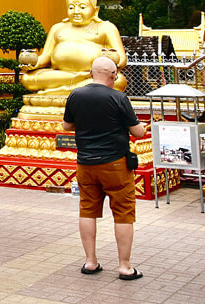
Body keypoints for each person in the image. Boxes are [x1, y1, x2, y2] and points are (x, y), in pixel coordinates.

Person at [61, 56, 147, 280]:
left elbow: (67, 125)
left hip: (86, 162)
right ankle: (125, 267)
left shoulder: (75, 95)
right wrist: (143, 126)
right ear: (113, 76)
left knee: (87, 210)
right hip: (115, 163)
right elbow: (137, 132)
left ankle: (90, 262)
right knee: (123, 213)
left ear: (91, 73)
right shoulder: (119, 97)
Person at [22, 0, 126, 95]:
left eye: (82, 7)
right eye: (71, 7)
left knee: (118, 81)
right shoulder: (57, 28)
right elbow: (47, 55)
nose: (76, 11)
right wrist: (35, 63)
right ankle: (79, 82)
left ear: (95, 11)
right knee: (27, 78)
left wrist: (111, 66)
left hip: (95, 75)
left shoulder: (106, 28)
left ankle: (62, 90)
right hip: (61, 74)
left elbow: (121, 58)